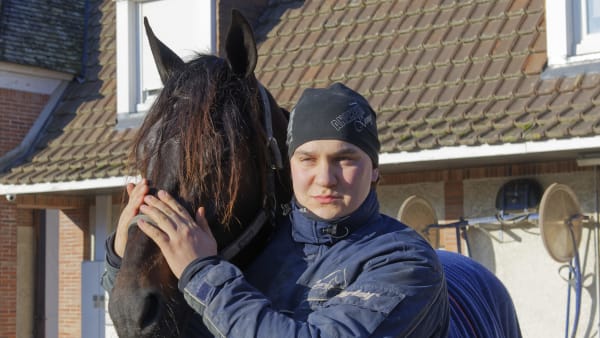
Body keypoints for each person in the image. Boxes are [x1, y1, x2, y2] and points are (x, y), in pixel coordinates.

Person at [103, 83, 450, 337]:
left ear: (374, 169)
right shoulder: (259, 246)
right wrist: (121, 259)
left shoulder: (404, 260)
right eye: (307, 159)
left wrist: (201, 273)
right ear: (289, 165)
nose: (325, 179)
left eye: (345, 159)